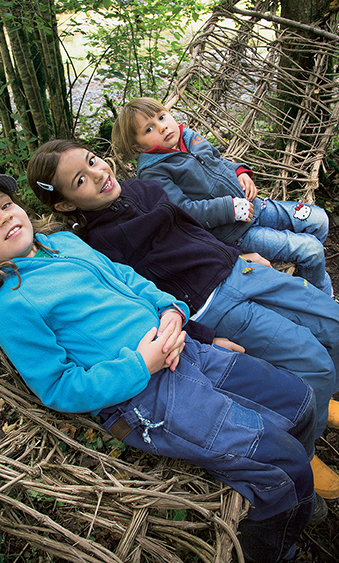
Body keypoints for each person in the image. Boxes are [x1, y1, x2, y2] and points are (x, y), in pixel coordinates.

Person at [0, 174, 325, 563]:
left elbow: (127, 278)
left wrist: (171, 310)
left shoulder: (63, 243)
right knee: (284, 466)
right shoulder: (12, 302)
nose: (3, 217)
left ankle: (299, 503)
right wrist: (140, 365)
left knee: (300, 401)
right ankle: (276, 550)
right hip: (147, 398)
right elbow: (58, 386)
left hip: (184, 349)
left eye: (5, 205)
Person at [26, 139, 339, 501]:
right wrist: (203, 336)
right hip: (211, 304)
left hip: (241, 269)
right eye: (80, 180)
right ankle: (308, 449)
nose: (98, 175)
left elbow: (193, 228)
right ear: (65, 203)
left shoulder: (144, 187)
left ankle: (321, 394)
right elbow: (140, 298)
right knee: (312, 360)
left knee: (333, 325)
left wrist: (239, 252)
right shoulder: (98, 243)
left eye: (93, 161)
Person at [111, 97, 333, 297]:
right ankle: (323, 297)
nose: (162, 127)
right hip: (234, 233)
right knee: (309, 249)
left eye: (161, 116)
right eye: (149, 129)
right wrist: (230, 208)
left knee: (319, 219)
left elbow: (219, 161)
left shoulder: (189, 137)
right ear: (137, 146)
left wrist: (241, 172)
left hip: (255, 205)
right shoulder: (154, 172)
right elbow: (183, 211)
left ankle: (309, 280)